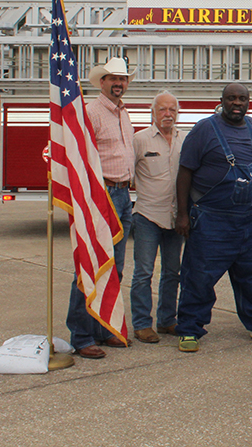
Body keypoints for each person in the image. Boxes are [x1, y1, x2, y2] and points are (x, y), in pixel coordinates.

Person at [174, 83, 252, 353]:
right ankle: (190, 328)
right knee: (199, 277)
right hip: (213, 220)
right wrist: (182, 214)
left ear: (248, 102)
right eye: (231, 98)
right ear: (222, 101)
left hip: (250, 221)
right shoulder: (205, 129)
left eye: (242, 98)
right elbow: (185, 172)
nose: (236, 103)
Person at [68, 56, 135, 359]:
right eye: (113, 79)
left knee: (115, 268)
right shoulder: (92, 113)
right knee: (91, 265)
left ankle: (104, 327)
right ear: (102, 82)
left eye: (122, 79)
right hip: (102, 195)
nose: (119, 84)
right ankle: (82, 336)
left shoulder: (123, 113)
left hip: (122, 196)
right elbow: (81, 160)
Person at [130, 91, 187, 344]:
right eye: (163, 110)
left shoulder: (185, 140)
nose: (168, 115)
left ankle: (167, 321)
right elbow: (126, 173)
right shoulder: (139, 140)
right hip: (147, 215)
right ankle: (142, 324)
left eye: (172, 110)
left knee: (173, 272)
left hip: (176, 218)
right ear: (153, 112)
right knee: (143, 272)